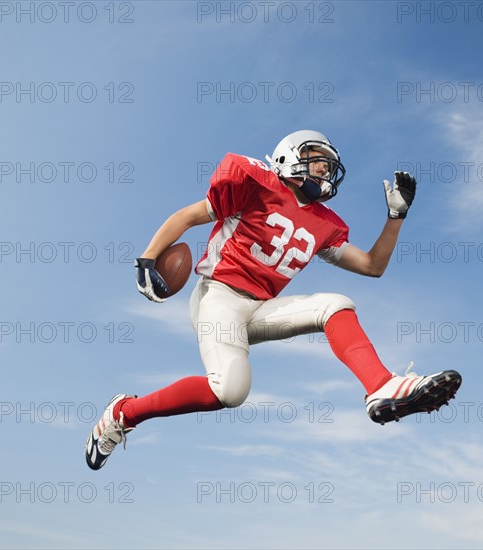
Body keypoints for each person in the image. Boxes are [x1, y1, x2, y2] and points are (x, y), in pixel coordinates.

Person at [85, 130, 461, 470]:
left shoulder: (324, 222)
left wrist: (396, 216)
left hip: (260, 309)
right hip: (219, 295)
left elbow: (371, 265)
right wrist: (148, 257)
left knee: (337, 304)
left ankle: (381, 386)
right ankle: (123, 413)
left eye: (327, 166)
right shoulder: (255, 184)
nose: (323, 171)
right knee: (231, 390)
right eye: (317, 160)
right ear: (288, 156)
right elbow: (189, 216)